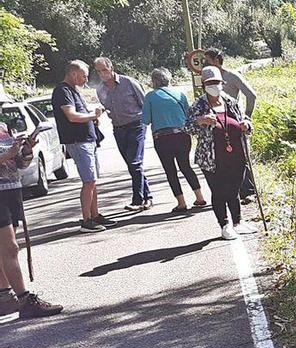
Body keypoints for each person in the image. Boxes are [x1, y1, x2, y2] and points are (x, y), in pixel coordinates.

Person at [0, 124, 63, 317]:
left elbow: (19, 164)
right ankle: (25, 300)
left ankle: (5, 298)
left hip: (11, 190)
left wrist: (26, 150)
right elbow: (7, 158)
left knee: (4, 249)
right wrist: (7, 154)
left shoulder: (3, 127)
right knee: (10, 248)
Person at [185, 66, 254, 240]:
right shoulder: (199, 105)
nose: (214, 86)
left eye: (216, 82)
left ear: (222, 83)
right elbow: (187, 127)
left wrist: (246, 125)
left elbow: (244, 119)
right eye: (210, 83)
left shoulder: (230, 101)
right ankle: (224, 225)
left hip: (237, 154)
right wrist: (200, 120)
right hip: (212, 158)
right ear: (204, 85)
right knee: (219, 191)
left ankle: (238, 222)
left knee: (234, 189)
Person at [52, 60, 116, 233]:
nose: (86, 80)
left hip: (88, 140)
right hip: (77, 141)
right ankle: (86, 220)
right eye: (84, 76)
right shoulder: (62, 91)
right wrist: (92, 116)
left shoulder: (74, 91)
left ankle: (95, 215)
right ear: (73, 73)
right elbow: (71, 116)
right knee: (88, 181)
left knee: (92, 181)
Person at [142, 68, 207, 212]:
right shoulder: (180, 94)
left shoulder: (150, 96)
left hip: (162, 138)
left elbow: (145, 120)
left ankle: (181, 202)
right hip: (182, 135)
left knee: (170, 170)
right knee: (185, 166)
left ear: (153, 81)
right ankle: (200, 197)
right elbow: (188, 114)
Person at [94, 57, 153, 211]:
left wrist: (146, 125)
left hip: (136, 126)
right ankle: (148, 197)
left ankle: (137, 200)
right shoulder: (100, 89)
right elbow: (106, 107)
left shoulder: (129, 83)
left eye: (104, 70)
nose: (102, 74)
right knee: (133, 165)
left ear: (111, 68)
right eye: (99, 71)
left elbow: (144, 104)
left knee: (135, 162)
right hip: (118, 129)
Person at [203, 47, 257, 204]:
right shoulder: (207, 80)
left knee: (241, 155)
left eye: (208, 61)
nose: (205, 65)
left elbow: (251, 95)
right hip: (217, 126)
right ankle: (232, 193)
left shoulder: (232, 76)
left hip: (235, 123)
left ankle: (248, 191)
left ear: (217, 60)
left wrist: (247, 116)